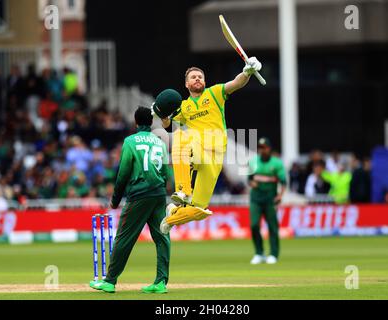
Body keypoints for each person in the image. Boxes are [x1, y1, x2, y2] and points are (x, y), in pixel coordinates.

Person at [159, 57, 263, 234]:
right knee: (181, 138)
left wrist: (247, 72)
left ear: (205, 81)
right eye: (193, 77)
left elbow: (236, 83)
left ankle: (172, 216)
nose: (197, 79)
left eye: (200, 76)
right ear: (186, 84)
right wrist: (160, 112)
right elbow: (168, 125)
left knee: (200, 209)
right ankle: (183, 190)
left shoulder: (214, 93)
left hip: (216, 156)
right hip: (197, 146)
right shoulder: (183, 107)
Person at [89, 107, 171, 294]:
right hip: (158, 194)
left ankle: (110, 281)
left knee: (124, 238)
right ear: (151, 123)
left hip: (139, 195)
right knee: (162, 237)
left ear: (135, 122)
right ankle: (160, 283)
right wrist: (159, 190)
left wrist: (116, 199)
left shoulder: (130, 141)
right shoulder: (159, 142)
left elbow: (123, 172)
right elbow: (166, 172)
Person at [248, 137, 286, 265]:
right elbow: (249, 179)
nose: (262, 150)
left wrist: (280, 195)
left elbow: (283, 181)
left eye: (264, 148)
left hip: (270, 199)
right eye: (260, 148)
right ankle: (259, 253)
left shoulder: (276, 163)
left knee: (272, 226)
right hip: (256, 198)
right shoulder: (254, 161)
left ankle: (273, 254)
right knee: (254, 225)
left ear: (269, 149)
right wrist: (252, 183)